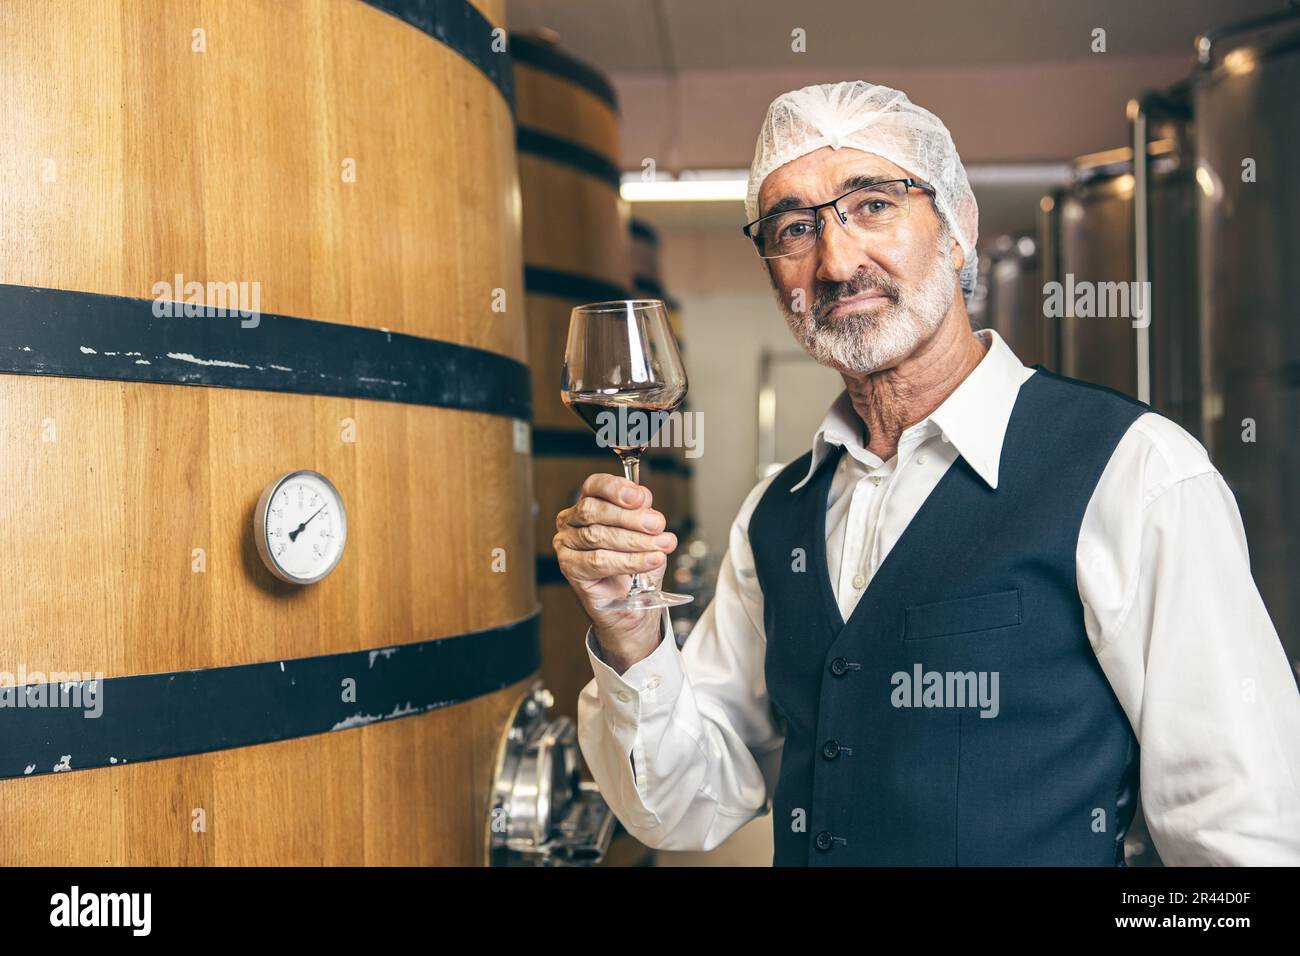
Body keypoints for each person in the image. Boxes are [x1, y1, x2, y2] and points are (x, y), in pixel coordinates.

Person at [552, 80, 1300, 866]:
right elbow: (680, 809)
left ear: (957, 229)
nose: (837, 261)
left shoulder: (1136, 469)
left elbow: (1244, 839)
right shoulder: (775, 517)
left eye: (872, 204)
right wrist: (632, 639)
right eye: (794, 227)